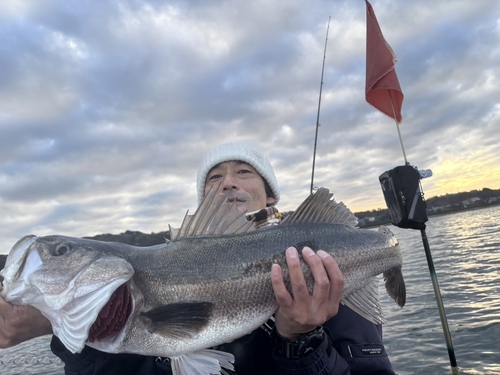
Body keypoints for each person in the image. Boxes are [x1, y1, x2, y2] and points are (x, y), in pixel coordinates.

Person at [0, 142, 395, 374]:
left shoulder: (318, 258)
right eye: (214, 178)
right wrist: (65, 325)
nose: (228, 182)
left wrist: (304, 340)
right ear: (204, 198)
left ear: (269, 195)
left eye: (244, 171)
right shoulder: (144, 280)